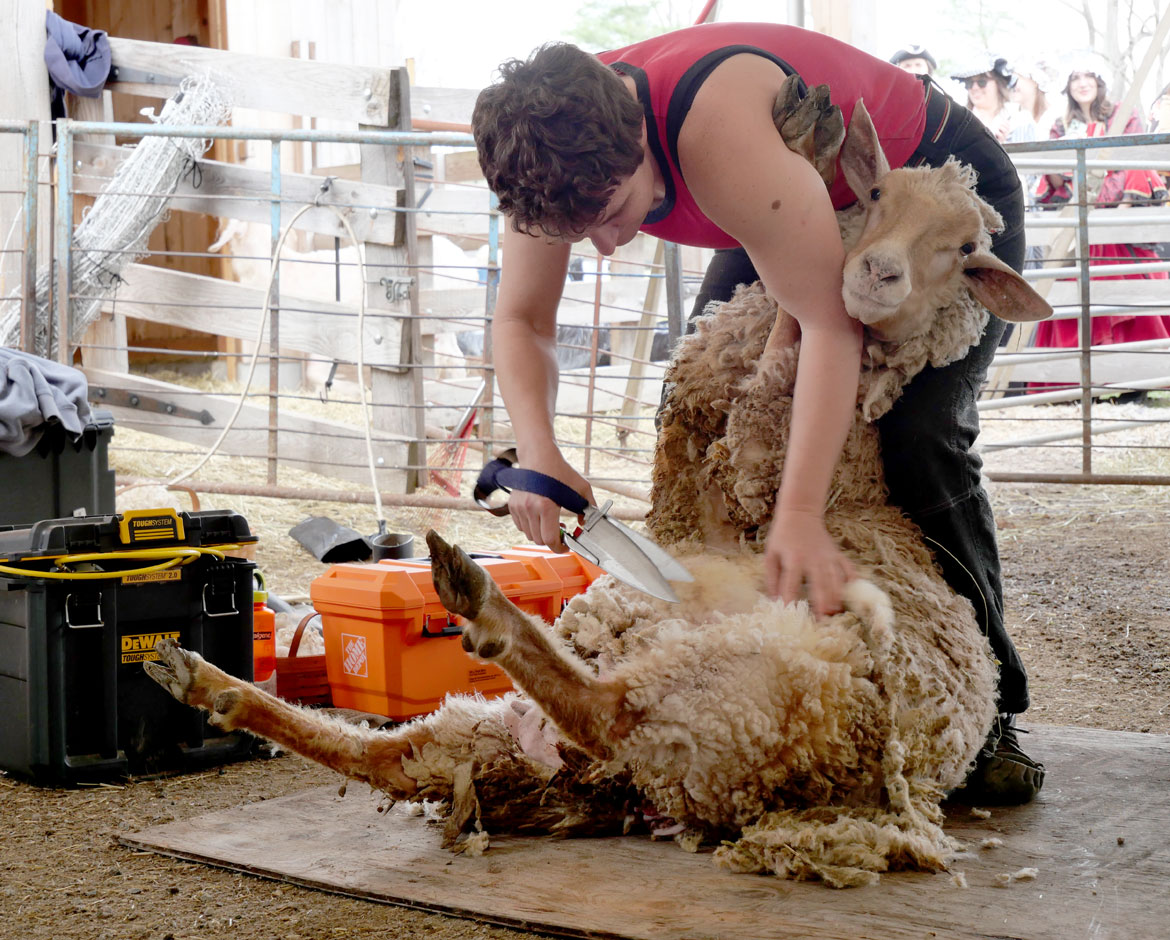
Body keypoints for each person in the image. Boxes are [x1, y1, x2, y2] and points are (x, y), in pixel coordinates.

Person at [472, 21, 1043, 802]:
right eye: (579, 232)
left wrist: (801, 511)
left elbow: (827, 328)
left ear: (639, 139)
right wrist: (537, 451)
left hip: (930, 192)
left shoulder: (718, 141)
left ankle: (991, 708)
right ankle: (723, 661)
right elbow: (522, 321)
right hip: (805, 190)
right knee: (710, 407)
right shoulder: (544, 158)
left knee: (918, 434)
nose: (604, 247)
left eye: (614, 212)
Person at [1032, 60, 1170, 379]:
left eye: (1088, 76)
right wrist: (1056, 174)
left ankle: (1134, 378)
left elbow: (1135, 161)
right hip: (1078, 219)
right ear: (1067, 86)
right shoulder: (1060, 124)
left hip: (1118, 226)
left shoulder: (1124, 114)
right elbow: (1056, 176)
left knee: (1127, 293)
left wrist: (1110, 204)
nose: (1082, 83)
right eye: (1075, 77)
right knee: (1071, 297)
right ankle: (1073, 381)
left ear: (1099, 81)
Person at [950, 54, 1036, 146]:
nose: (974, 88)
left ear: (998, 83)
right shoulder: (960, 124)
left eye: (982, 82)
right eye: (969, 83)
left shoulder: (1021, 121)